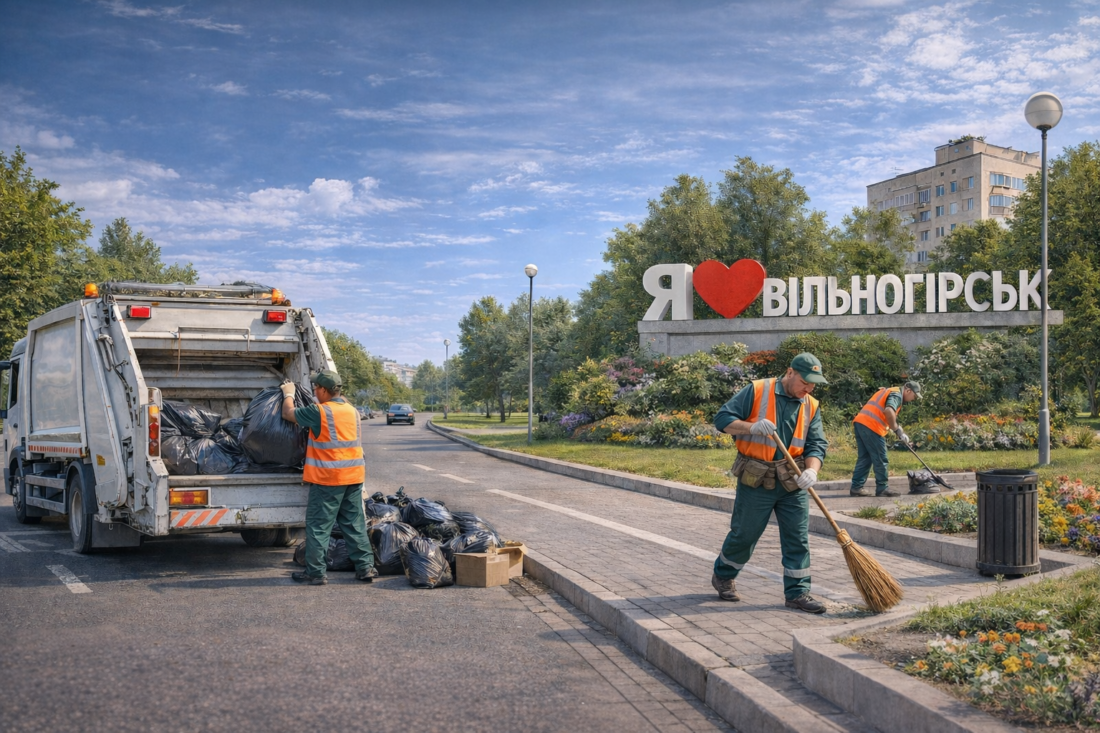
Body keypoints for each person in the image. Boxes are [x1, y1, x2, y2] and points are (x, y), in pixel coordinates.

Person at [710, 353, 829, 614]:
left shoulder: (811, 404)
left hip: (792, 480)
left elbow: (817, 444)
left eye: (813, 384)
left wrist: (812, 471)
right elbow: (722, 420)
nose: (808, 389)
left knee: (798, 538)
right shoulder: (757, 390)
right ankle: (724, 574)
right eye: (804, 382)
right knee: (745, 534)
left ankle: (798, 593)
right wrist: (751, 427)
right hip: (757, 478)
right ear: (789, 373)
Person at [280, 369, 378, 585]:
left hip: (328, 478)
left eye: (316, 388)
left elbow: (288, 414)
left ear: (324, 390)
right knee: (354, 524)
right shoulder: (352, 410)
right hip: (352, 477)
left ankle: (315, 573)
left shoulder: (320, 412)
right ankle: (365, 568)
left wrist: (288, 393)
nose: (314, 392)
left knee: (318, 526)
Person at [849, 381, 923, 498]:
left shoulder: (890, 391)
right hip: (871, 426)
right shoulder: (896, 395)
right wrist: (897, 430)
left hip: (861, 423)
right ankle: (882, 488)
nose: (913, 399)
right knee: (880, 457)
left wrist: (898, 430)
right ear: (908, 391)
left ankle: (856, 487)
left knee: (865, 458)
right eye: (914, 396)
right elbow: (889, 411)